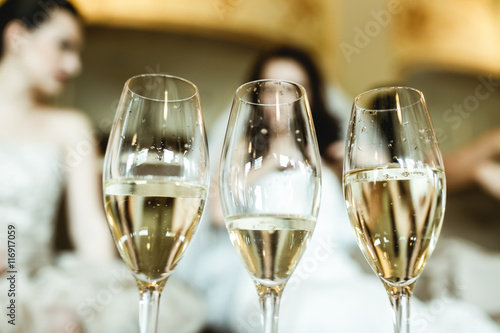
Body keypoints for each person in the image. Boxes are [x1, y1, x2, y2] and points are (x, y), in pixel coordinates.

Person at [177, 46, 500, 332]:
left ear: (312, 95)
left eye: (294, 88)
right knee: (326, 311)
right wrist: (272, 162)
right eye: (272, 88)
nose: (282, 99)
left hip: (336, 273)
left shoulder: (332, 156)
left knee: (423, 316)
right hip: (268, 279)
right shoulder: (245, 150)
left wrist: (357, 163)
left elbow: (398, 200)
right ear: (258, 96)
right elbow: (220, 214)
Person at [0, 1, 206, 332]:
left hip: (33, 281)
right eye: (63, 45)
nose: (74, 64)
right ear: (17, 36)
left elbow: (90, 229)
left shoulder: (70, 127)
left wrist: (90, 296)